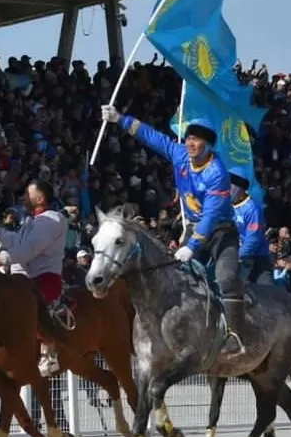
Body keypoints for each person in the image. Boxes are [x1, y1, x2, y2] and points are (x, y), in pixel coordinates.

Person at [100, 107, 243, 355]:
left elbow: (210, 216)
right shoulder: (179, 154)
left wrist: (192, 246)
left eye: (196, 139)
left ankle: (234, 335)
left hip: (220, 233)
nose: (190, 143)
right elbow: (153, 137)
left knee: (226, 278)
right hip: (192, 230)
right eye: (188, 137)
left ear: (208, 145)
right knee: (169, 275)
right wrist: (119, 119)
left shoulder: (217, 174)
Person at [0, 179, 69, 376]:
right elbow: (17, 240)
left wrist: (0, 259)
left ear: (41, 198)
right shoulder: (33, 221)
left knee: (24, 306)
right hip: (25, 278)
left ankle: (49, 350)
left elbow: (29, 249)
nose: (23, 197)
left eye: (28, 194)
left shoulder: (50, 220)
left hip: (44, 278)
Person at [230, 172, 273, 286]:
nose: (228, 189)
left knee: (267, 292)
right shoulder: (226, 205)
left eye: (231, 186)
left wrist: (238, 256)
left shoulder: (252, 209)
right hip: (232, 255)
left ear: (241, 189)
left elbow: (253, 238)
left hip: (256, 258)